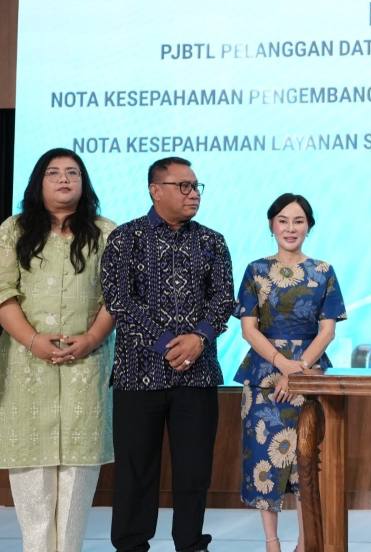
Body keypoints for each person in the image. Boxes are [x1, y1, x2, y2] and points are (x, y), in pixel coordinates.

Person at [101, 156, 235, 552]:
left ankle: (190, 544)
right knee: (135, 470)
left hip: (198, 374)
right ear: (155, 190)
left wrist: (198, 339)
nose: (194, 194)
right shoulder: (125, 238)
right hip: (136, 374)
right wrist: (167, 344)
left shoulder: (212, 241)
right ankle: (131, 545)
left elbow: (223, 298)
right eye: (184, 186)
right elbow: (119, 300)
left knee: (194, 470)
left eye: (196, 187)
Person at [0, 148, 115, 552]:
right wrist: (33, 340)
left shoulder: (106, 233)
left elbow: (115, 299)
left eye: (72, 173)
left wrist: (91, 339)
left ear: (84, 183)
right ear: (39, 182)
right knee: (33, 501)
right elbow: (3, 293)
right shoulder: (13, 230)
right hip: (26, 368)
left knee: (74, 499)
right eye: (54, 173)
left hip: (88, 366)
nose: (64, 179)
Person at [234, 193, 346, 552]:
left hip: (309, 375)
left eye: (298, 221)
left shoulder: (323, 271)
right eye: (283, 220)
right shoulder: (255, 270)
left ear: (309, 226)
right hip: (263, 375)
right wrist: (282, 366)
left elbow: (327, 331)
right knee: (263, 459)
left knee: (306, 462)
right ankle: (272, 542)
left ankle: (304, 541)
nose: (290, 228)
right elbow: (248, 329)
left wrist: (298, 373)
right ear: (272, 225)